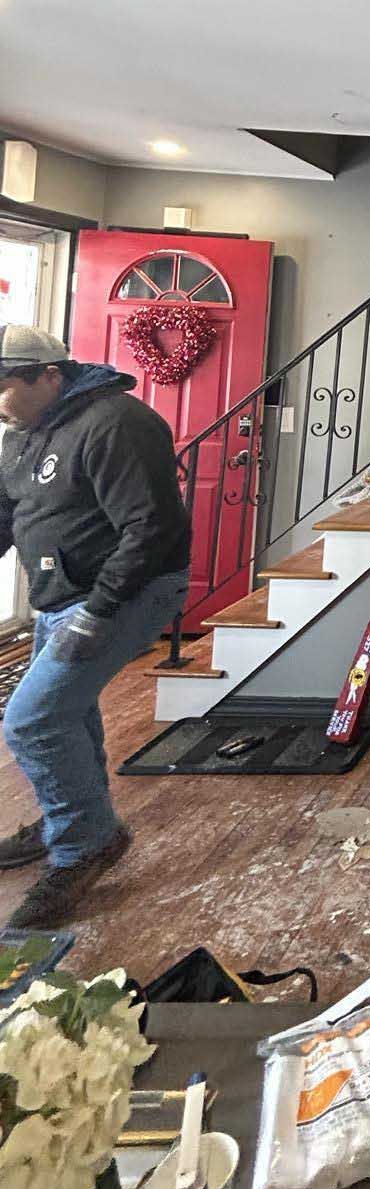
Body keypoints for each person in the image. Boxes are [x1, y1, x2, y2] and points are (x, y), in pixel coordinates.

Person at [0, 325, 191, 927]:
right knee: (69, 710)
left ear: (49, 375)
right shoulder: (22, 435)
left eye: (3, 384)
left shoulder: (116, 423)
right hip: (62, 594)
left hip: (127, 592)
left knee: (32, 721)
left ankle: (86, 844)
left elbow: (152, 529)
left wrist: (99, 610)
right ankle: (76, 817)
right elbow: (9, 514)